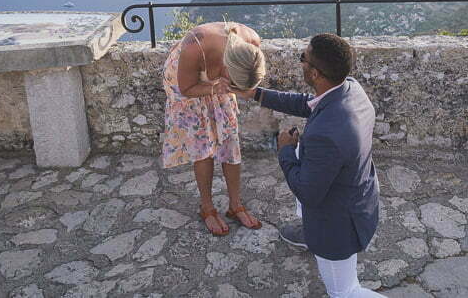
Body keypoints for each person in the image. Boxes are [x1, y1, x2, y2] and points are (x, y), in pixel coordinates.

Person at [236, 33, 384, 297]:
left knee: (345, 291)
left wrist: (285, 150)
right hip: (359, 194)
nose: (301, 61)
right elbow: (308, 104)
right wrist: (257, 94)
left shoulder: (326, 135)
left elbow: (307, 192)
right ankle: (308, 232)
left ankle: (316, 235)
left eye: (303, 57)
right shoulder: (350, 89)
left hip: (338, 226)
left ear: (315, 73)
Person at [162, 20, 266, 236]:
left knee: (230, 140)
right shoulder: (195, 46)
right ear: (226, 68)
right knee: (203, 145)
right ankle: (207, 207)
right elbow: (187, 88)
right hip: (185, 82)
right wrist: (213, 87)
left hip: (218, 82)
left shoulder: (251, 42)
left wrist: (228, 87)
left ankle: (235, 205)